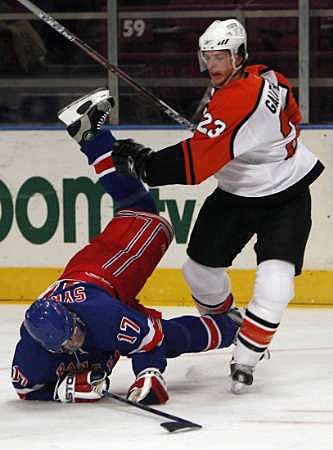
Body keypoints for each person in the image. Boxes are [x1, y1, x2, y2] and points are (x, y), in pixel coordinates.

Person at [111, 19, 325, 394]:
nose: (214, 65)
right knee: (198, 272)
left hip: (287, 193)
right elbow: (291, 116)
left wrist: (145, 164)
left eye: (222, 56)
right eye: (209, 57)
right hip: (235, 193)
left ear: (239, 55)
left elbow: (194, 165)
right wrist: (237, 141)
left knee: (276, 282)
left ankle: (247, 355)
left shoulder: (239, 98)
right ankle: (229, 322)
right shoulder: (264, 76)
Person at [11, 89, 240, 405]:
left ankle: (91, 136)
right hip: (99, 289)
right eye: (67, 343)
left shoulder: (99, 316)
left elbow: (149, 343)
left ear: (71, 316)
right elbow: (25, 390)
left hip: (104, 274)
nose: (76, 340)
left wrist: (149, 375)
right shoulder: (31, 353)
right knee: (166, 334)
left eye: (74, 330)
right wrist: (63, 392)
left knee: (146, 217)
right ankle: (232, 328)